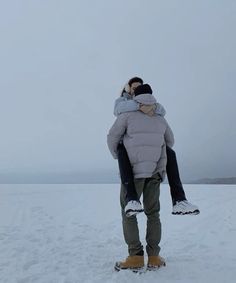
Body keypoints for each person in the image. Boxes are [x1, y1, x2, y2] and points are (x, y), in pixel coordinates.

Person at [107, 84, 173, 271]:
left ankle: (135, 257)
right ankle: (154, 257)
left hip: (133, 174)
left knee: (129, 213)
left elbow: (112, 138)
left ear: (135, 96)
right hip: (154, 172)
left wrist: (120, 156)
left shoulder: (127, 115)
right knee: (153, 214)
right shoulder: (161, 119)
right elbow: (170, 141)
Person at [114, 77, 200, 216]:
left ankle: (179, 200)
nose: (136, 89)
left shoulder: (155, 110)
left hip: (151, 160)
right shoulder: (123, 104)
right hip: (130, 154)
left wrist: (156, 150)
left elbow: (162, 113)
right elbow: (117, 111)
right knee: (121, 148)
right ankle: (133, 198)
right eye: (133, 87)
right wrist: (142, 105)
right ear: (128, 89)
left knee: (168, 151)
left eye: (139, 87)